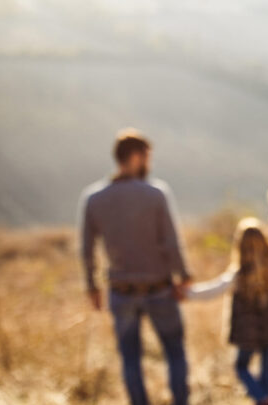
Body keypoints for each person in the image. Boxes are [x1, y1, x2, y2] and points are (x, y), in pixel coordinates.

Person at [78, 128, 193, 405]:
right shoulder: (155, 193)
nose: (148, 163)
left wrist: (91, 286)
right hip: (159, 288)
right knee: (175, 353)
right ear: (136, 156)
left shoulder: (94, 198)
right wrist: (184, 276)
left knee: (130, 359)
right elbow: (171, 243)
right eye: (147, 157)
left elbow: (86, 249)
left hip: (120, 290)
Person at [187, 218, 268, 405]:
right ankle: (265, 397)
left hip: (247, 332)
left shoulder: (240, 272)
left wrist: (186, 293)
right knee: (267, 369)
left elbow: (214, 289)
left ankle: (261, 398)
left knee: (241, 366)